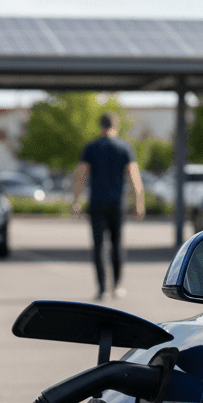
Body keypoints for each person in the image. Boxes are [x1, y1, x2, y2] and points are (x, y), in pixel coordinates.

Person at [69, 113, 146, 301]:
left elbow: (81, 176)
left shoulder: (91, 148)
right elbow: (134, 177)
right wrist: (139, 202)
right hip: (117, 204)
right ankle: (117, 285)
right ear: (116, 126)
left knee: (98, 246)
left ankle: (102, 288)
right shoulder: (124, 148)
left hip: (97, 203)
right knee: (117, 244)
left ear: (100, 126)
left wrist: (76, 201)